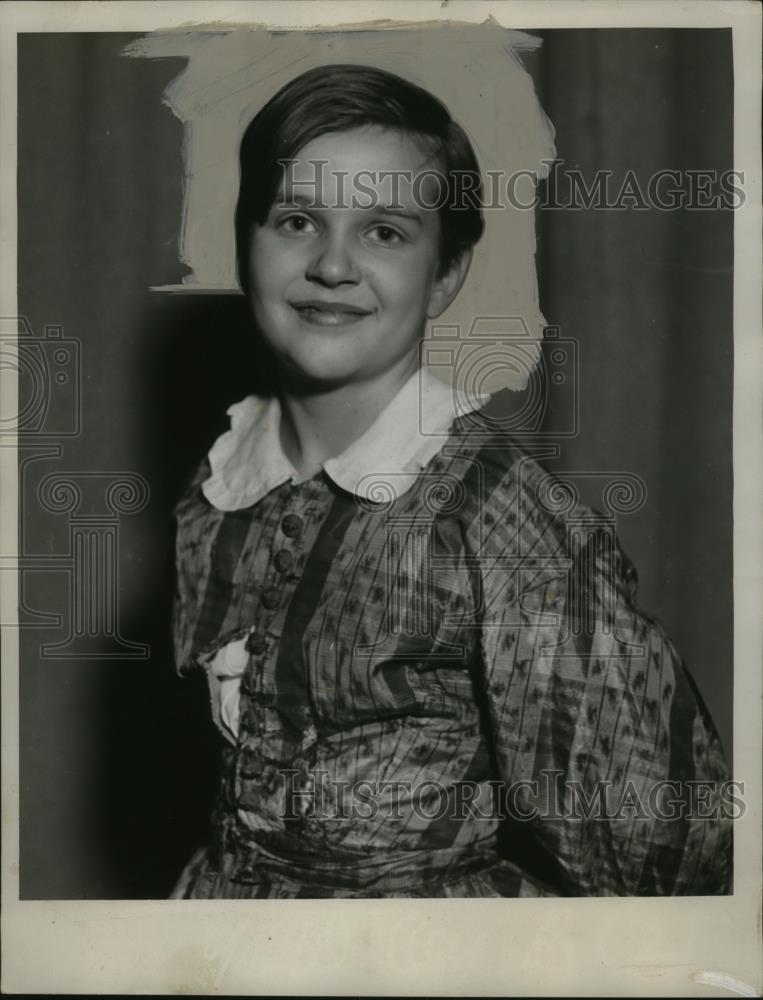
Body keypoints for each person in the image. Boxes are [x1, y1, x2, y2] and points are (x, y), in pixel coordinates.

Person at [169, 64, 732, 898]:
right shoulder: (216, 489)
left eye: (384, 231)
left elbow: (668, 854)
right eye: (296, 219)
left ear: (444, 274)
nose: (332, 264)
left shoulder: (508, 531)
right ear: (244, 243)